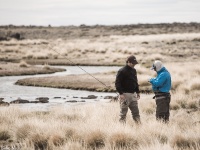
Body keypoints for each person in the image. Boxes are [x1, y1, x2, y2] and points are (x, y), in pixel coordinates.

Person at [115, 55, 140, 123]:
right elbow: (117, 83)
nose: (134, 64)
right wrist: (121, 93)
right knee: (123, 114)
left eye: (135, 63)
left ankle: (139, 128)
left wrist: (138, 92)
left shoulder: (134, 70)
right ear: (128, 62)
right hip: (125, 95)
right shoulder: (121, 71)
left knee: (136, 113)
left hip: (133, 95)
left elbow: (135, 81)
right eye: (133, 63)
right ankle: (122, 130)